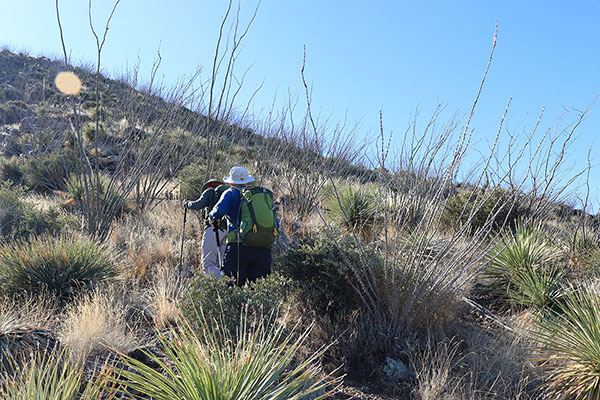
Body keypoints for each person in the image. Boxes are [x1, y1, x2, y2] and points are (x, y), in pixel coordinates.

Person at [208, 166, 273, 286]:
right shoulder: (259, 197)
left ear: (231, 182)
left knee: (232, 289)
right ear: (248, 182)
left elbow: (217, 212)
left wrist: (211, 218)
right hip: (263, 248)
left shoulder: (230, 193)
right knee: (259, 291)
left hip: (238, 248)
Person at [183, 179, 228, 277]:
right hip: (228, 231)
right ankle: (226, 286)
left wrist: (186, 204)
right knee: (223, 264)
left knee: (208, 264)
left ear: (208, 186)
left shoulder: (210, 192)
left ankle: (213, 288)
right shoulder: (228, 193)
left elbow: (197, 205)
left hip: (213, 229)